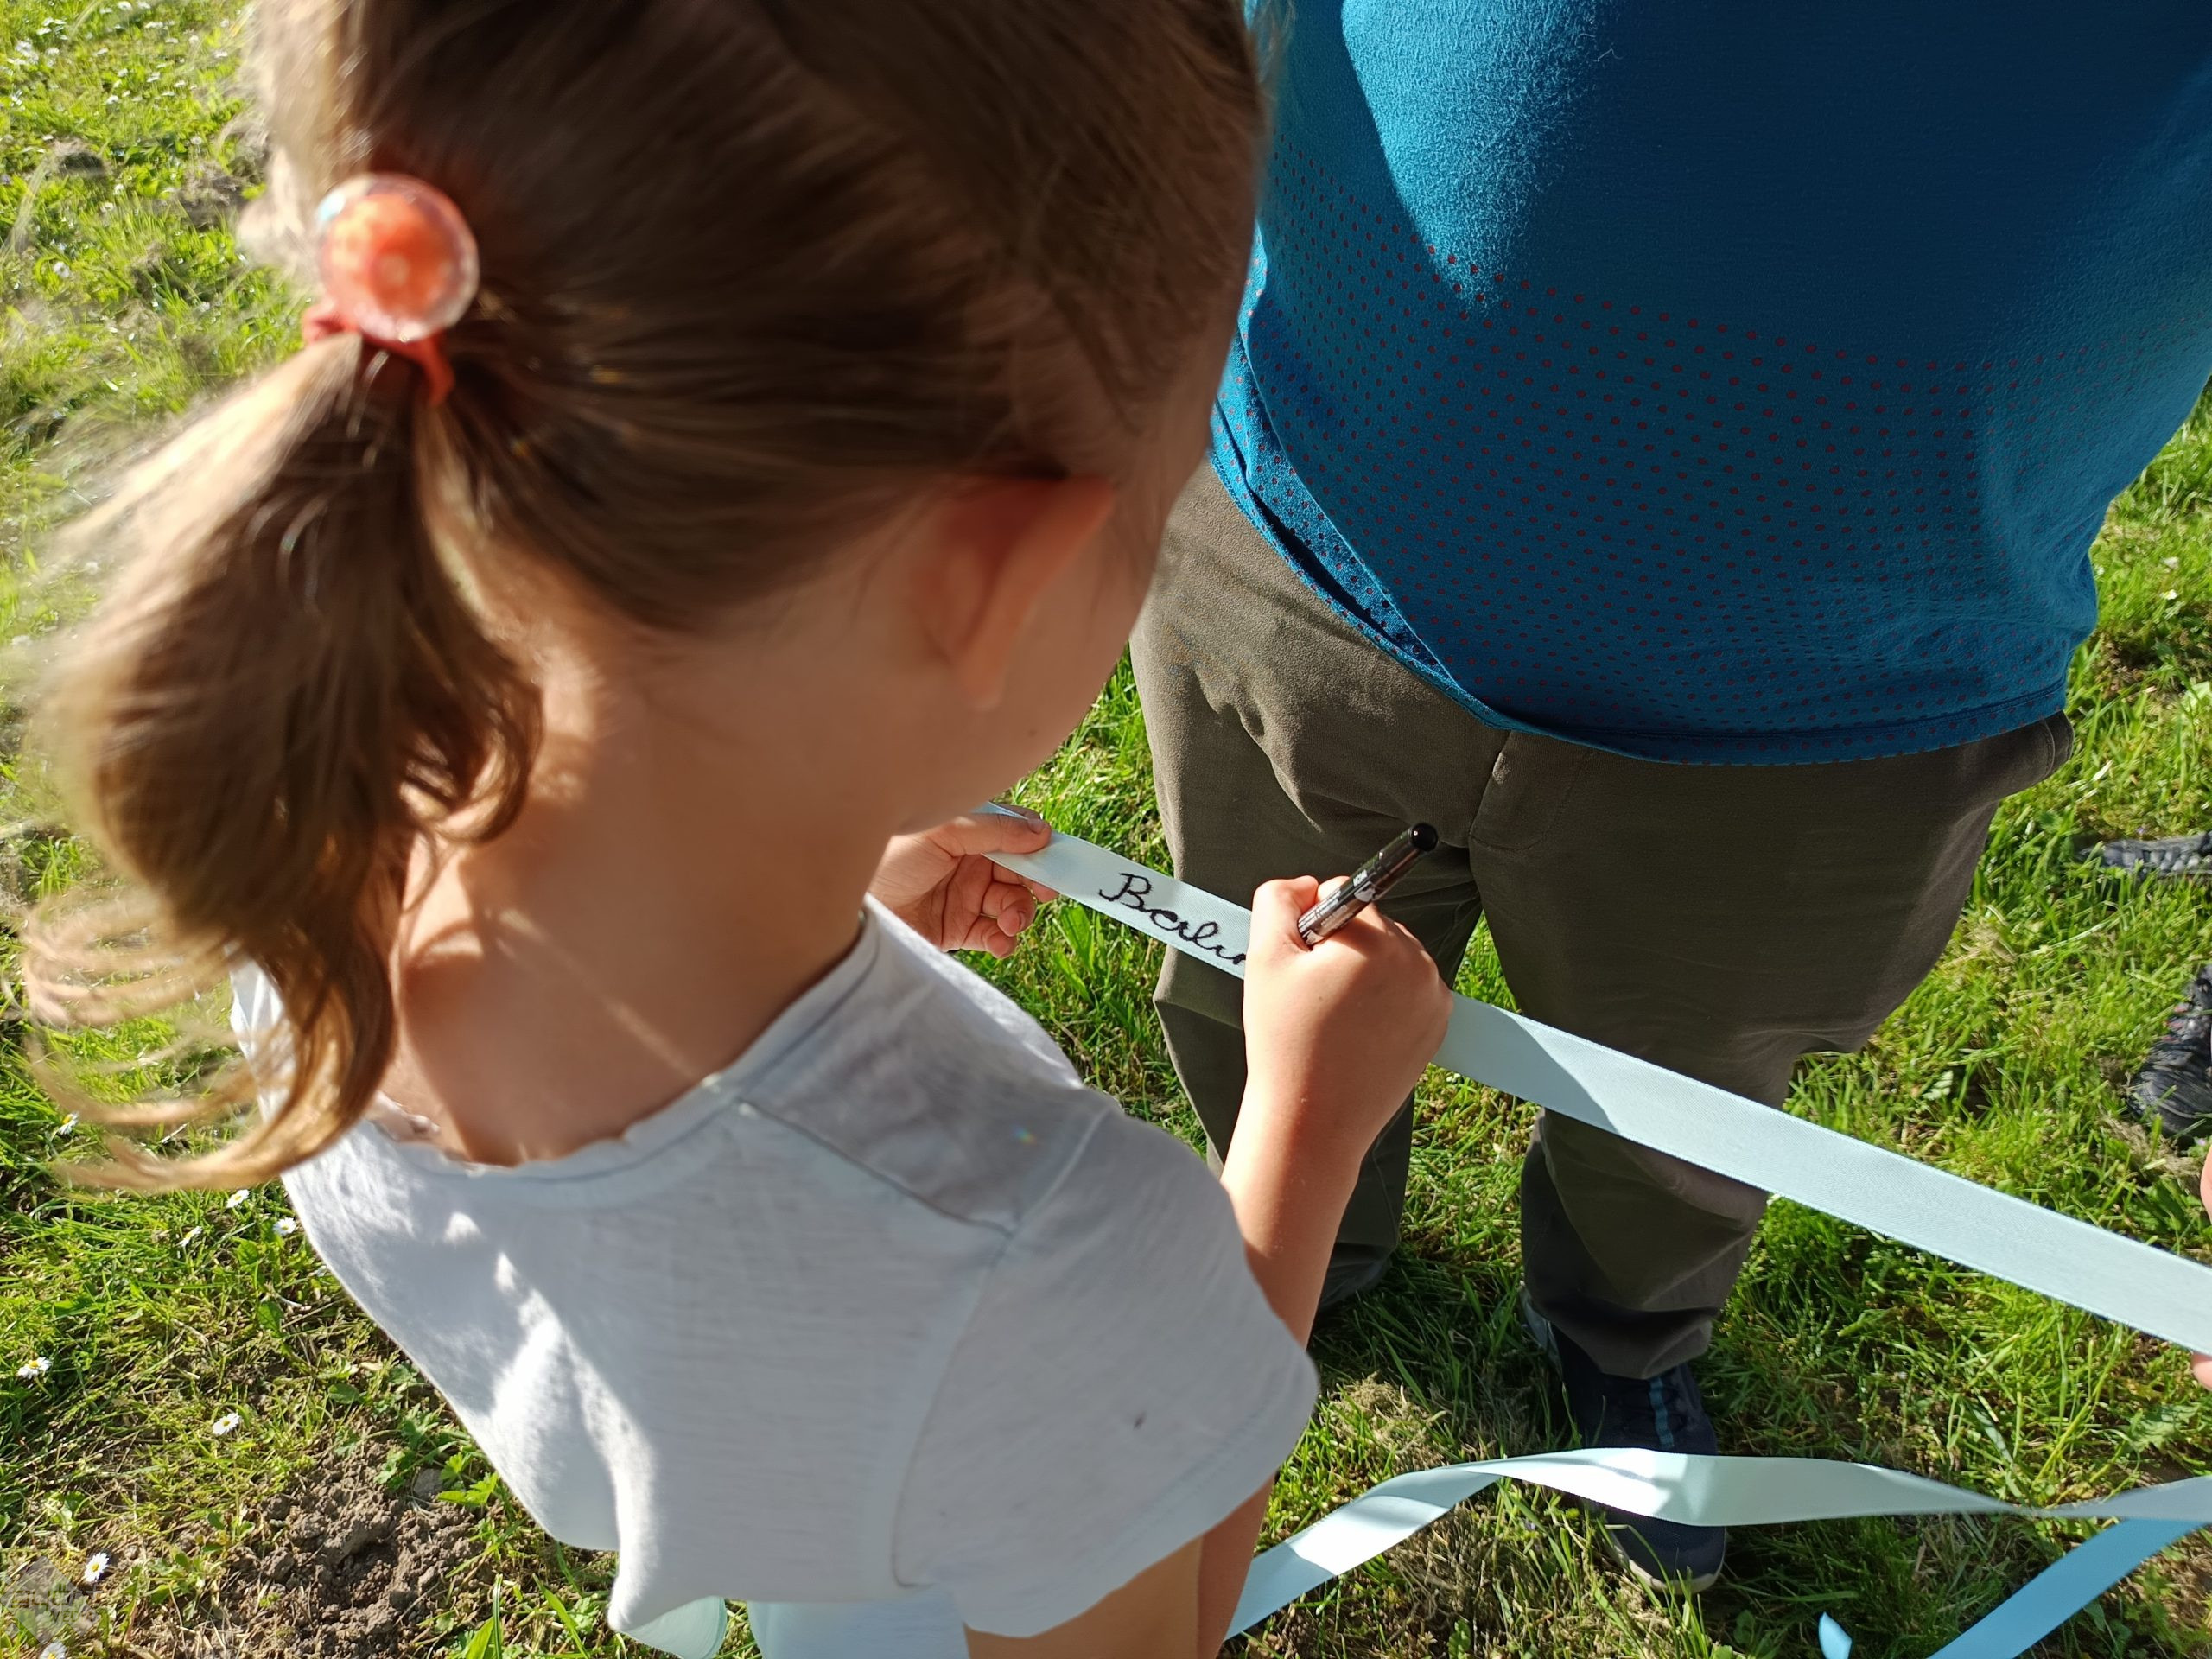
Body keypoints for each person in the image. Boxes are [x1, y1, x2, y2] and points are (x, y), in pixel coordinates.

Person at [27, 4, 1454, 1656]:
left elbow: (695, 1239)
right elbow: (1173, 1613)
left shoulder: (299, 846)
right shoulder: (1046, 1262)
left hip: (805, 1519)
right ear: (997, 577)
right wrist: (1305, 1131)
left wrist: (849, 901)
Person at [1131, 3, 2212, 1592]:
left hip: (1843, 711)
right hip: (1298, 540)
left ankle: (1624, 1337)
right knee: (1248, 988)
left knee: (1690, 1110)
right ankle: (1302, 1252)